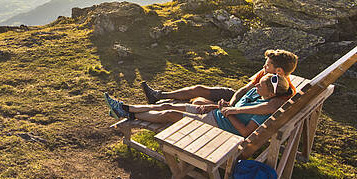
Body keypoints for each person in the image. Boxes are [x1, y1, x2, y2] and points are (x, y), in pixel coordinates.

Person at [105, 73, 293, 137]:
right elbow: (231, 106)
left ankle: (127, 114)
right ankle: (127, 108)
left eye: (261, 84)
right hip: (214, 114)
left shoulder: (263, 111)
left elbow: (245, 132)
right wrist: (218, 106)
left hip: (219, 126)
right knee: (166, 106)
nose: (256, 83)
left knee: (168, 114)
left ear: (270, 93)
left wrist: (228, 113)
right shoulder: (255, 92)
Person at [140, 49, 298, 110]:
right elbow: (244, 89)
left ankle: (175, 107)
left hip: (242, 108)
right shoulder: (267, 76)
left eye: (267, 65)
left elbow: (259, 108)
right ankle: (158, 96)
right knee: (199, 89)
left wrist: (232, 107)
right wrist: (233, 101)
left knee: (198, 101)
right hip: (239, 99)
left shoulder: (282, 93)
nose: (264, 67)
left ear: (279, 70)